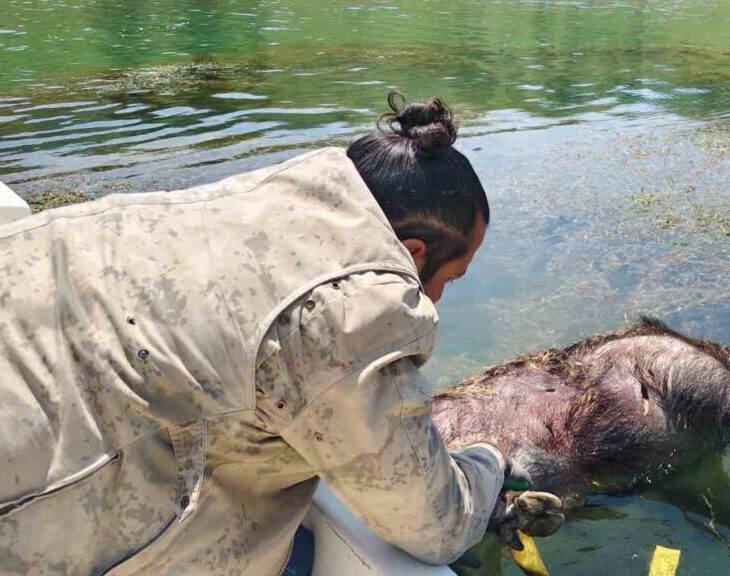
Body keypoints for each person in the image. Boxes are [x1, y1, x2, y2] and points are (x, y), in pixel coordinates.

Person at [0, 94, 562, 575]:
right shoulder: (350, 314)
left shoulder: (240, 203)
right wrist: (487, 463)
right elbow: (432, 525)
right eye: (449, 279)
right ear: (414, 253)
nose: (436, 298)